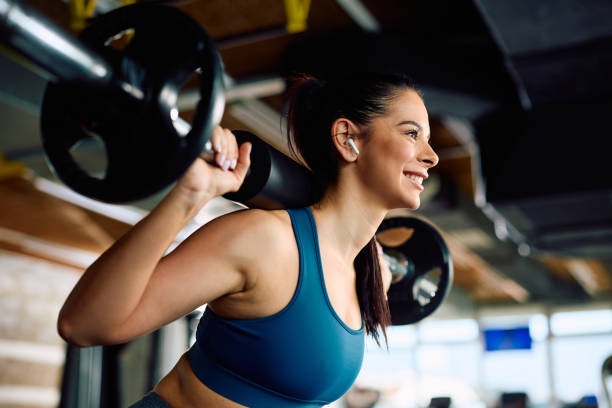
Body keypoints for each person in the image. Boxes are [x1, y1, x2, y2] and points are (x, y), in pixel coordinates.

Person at [57, 71, 439, 407]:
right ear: (347, 139)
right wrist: (190, 196)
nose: (432, 156)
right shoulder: (264, 241)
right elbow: (83, 325)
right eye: (412, 133)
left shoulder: (371, 273)